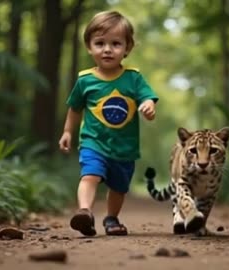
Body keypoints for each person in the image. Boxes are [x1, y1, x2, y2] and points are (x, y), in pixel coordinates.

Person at [58, 10, 158, 236]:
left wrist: (150, 106)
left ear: (127, 48)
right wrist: (67, 132)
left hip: (124, 148)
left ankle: (111, 219)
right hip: (93, 142)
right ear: (89, 46)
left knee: (118, 189)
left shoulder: (133, 78)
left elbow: (147, 97)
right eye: (100, 43)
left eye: (115, 43)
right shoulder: (85, 80)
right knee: (90, 175)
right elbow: (75, 108)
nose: (107, 49)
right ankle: (84, 212)